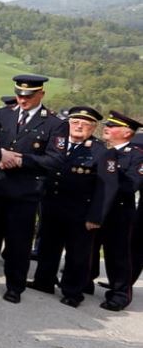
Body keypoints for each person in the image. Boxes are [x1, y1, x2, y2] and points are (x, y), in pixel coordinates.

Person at [0, 74, 66, 303]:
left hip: (25, 190)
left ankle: (14, 285)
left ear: (41, 94)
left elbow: (56, 160)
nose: (22, 100)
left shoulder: (54, 123)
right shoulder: (1, 114)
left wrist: (23, 160)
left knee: (18, 241)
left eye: (28, 96)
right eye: (19, 95)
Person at [26, 106, 115, 307]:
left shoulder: (100, 152)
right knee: (48, 245)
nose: (79, 126)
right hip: (53, 206)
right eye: (75, 122)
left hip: (81, 211)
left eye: (85, 124)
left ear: (93, 128)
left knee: (77, 253)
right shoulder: (57, 145)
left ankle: (73, 292)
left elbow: (107, 188)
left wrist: (96, 217)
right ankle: (44, 281)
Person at [96, 111, 143, 311]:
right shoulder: (99, 150)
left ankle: (120, 295)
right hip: (96, 207)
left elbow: (131, 185)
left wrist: (110, 173)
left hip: (119, 211)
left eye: (112, 126)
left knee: (118, 255)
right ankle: (81, 284)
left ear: (126, 133)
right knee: (88, 249)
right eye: (107, 124)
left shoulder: (137, 156)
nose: (106, 128)